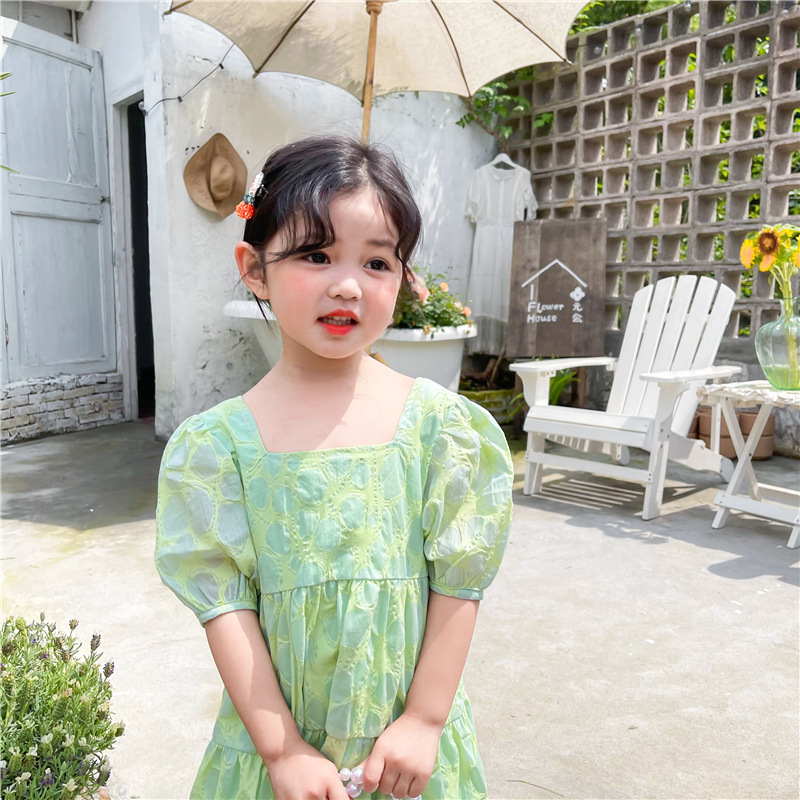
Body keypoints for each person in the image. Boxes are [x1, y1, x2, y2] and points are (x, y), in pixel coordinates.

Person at [154, 135, 514, 800]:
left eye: (376, 261)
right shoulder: (219, 449)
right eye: (316, 254)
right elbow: (225, 608)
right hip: (276, 760)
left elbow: (458, 584)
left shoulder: (441, 431)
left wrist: (425, 720)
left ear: (403, 280)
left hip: (405, 759)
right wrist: (282, 750)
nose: (347, 284)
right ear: (255, 268)